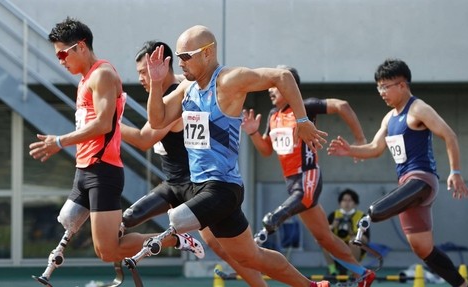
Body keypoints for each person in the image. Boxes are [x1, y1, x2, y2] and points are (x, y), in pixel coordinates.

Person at [131, 25, 330, 287]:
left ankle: (178, 239)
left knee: (177, 218)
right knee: (251, 257)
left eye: (186, 56)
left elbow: (282, 76)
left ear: (207, 53)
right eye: (178, 57)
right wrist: (157, 85)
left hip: (223, 188)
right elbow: (157, 122)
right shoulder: (186, 88)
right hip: (200, 188)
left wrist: (303, 119)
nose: (180, 63)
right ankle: (312, 286)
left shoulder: (228, 80)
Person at [28, 18, 199, 286]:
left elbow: (105, 124)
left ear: (80, 47)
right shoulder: (85, 80)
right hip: (84, 169)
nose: (60, 60)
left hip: (104, 171)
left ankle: (175, 239)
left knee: (108, 250)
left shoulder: (103, 74)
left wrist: (59, 142)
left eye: (63, 53)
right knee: (84, 234)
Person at [121, 40, 266, 286]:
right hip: (173, 184)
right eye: (140, 73)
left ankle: (260, 284)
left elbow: (145, 139)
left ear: (163, 67)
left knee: (227, 250)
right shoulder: (175, 87)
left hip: (196, 186)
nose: (142, 79)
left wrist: (106, 125)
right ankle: (178, 242)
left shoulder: (177, 95)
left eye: (145, 72)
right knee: (125, 220)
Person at [327, 58, 468, 287]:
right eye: (378, 87)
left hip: (421, 181)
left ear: (402, 85)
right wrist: (349, 150)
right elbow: (375, 148)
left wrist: (455, 171)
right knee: (422, 248)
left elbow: (450, 135)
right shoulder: (389, 118)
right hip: (407, 187)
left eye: (386, 86)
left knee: (373, 211)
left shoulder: (419, 109)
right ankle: (463, 285)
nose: (381, 92)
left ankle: (367, 220)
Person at [240, 65, 375, 286]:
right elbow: (265, 150)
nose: (270, 90)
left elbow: (342, 105)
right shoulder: (273, 115)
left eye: (275, 85)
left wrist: (360, 140)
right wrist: (253, 132)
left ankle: (266, 229)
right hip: (291, 183)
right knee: (324, 238)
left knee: (292, 204)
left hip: (307, 177)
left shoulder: (305, 107)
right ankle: (362, 273)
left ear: (289, 86)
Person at [322, 188, 369, 276]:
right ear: (340, 202)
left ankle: (354, 270)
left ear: (355, 203)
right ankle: (332, 270)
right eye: (344, 200)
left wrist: (354, 234)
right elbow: (322, 233)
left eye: (350, 200)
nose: (347, 203)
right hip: (337, 246)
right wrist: (333, 226)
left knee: (353, 242)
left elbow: (366, 240)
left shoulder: (362, 216)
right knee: (325, 242)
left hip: (354, 248)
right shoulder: (334, 215)